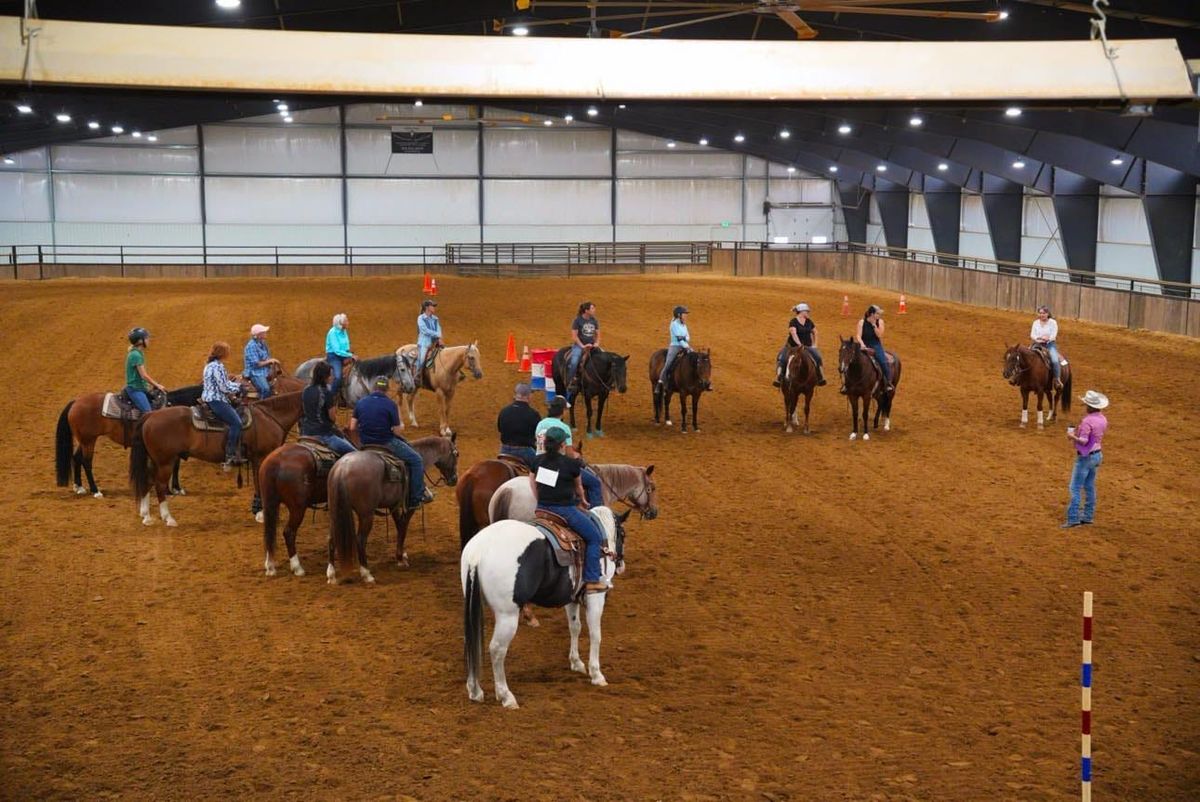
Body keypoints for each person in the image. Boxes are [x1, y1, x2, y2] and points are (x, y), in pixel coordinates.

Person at [529, 427, 608, 594]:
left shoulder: (536, 461)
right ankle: (592, 580)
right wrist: (584, 501)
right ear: (562, 444)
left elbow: (533, 484)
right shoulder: (572, 464)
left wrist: (540, 502)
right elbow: (579, 486)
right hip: (564, 510)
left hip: (541, 509)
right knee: (595, 537)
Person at [351, 375, 433, 507]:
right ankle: (416, 498)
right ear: (387, 389)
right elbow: (396, 432)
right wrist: (401, 425)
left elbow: (352, 427)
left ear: (374, 388)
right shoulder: (390, 404)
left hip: (365, 443)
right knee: (416, 460)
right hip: (385, 443)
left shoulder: (361, 402)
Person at [536, 397, 603, 509]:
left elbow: (539, 446)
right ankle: (596, 512)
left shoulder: (540, 424)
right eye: (566, 409)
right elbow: (569, 454)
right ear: (563, 411)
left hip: (540, 465)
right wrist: (577, 458)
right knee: (595, 483)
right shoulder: (564, 428)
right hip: (558, 466)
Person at [1062, 390, 1109, 529]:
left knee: (1075, 487)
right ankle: (1088, 516)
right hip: (1097, 454)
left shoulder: (1087, 421)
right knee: (1089, 486)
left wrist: (1072, 437)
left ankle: (1073, 519)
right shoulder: (1103, 419)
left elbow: (1083, 441)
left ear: (1090, 406)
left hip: (1085, 457)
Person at [201, 342, 247, 469]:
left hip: (209, 398)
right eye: (227, 351)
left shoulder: (209, 365)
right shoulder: (218, 366)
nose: (229, 353)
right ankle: (230, 455)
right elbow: (224, 386)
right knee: (236, 423)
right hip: (217, 400)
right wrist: (239, 387)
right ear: (222, 353)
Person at [300, 361, 356, 456]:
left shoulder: (305, 391)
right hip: (324, 435)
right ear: (324, 377)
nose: (333, 377)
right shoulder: (327, 393)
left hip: (306, 433)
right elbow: (332, 417)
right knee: (355, 454)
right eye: (331, 375)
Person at [773, 302, 827, 388]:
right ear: (801, 312)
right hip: (792, 347)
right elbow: (794, 334)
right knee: (782, 358)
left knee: (818, 357)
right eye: (807, 311)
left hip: (807, 347)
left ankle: (820, 377)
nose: (808, 313)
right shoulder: (793, 322)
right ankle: (779, 377)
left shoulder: (809, 322)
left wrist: (815, 345)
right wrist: (799, 344)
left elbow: (815, 332)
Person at [496, 382, 540, 467]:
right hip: (525, 451)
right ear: (528, 396)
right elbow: (538, 434)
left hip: (504, 450)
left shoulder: (504, 411)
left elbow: (500, 429)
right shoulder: (533, 414)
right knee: (542, 470)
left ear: (516, 395)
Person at [124, 327, 166, 415]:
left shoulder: (138, 353)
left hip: (142, 389)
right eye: (146, 338)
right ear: (140, 341)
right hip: (135, 390)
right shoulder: (135, 355)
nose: (148, 340)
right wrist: (157, 385)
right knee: (149, 414)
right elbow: (143, 375)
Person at [853, 304, 893, 394]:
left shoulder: (880, 322)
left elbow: (880, 335)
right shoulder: (861, 322)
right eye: (877, 313)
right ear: (872, 314)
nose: (879, 315)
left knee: (883, 361)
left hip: (875, 345)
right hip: (863, 344)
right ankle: (848, 383)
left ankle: (888, 383)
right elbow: (858, 335)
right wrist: (862, 344)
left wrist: (874, 325)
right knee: (852, 359)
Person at [566, 301, 600, 395]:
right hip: (579, 345)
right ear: (586, 310)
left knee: (603, 358)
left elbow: (597, 334)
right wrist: (582, 346)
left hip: (592, 345)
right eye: (592, 308)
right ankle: (570, 382)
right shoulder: (577, 321)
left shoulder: (594, 320)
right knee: (574, 361)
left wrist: (597, 343)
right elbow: (574, 336)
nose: (594, 310)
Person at [656, 305, 691, 392]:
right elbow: (679, 339)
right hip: (675, 346)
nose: (686, 315)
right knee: (668, 364)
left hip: (685, 345)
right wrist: (686, 344)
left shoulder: (684, 325)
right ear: (679, 315)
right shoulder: (674, 324)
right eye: (684, 314)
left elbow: (688, 337)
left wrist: (684, 340)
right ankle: (660, 384)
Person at [1031, 305, 1063, 391]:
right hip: (1037, 344)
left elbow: (1053, 335)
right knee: (1026, 356)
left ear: (1048, 314)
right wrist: (1038, 339)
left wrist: (1048, 338)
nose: (1042, 315)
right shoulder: (1035, 323)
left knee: (1055, 360)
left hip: (1049, 344)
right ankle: (1020, 377)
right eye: (1040, 313)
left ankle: (1057, 379)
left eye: (1044, 313)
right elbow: (1032, 335)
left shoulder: (1053, 322)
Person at [243, 323, 279, 399]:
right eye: (264, 332)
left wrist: (271, 362)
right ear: (259, 335)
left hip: (265, 370)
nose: (266, 333)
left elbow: (267, 357)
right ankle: (262, 405)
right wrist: (269, 361)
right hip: (255, 372)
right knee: (265, 389)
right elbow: (256, 364)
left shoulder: (263, 343)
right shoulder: (251, 346)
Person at [324, 313, 354, 397]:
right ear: (341, 324)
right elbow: (336, 350)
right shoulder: (332, 333)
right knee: (338, 376)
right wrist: (350, 355)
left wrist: (348, 354)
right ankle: (331, 397)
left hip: (344, 354)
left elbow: (347, 344)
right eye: (346, 321)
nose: (348, 322)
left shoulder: (344, 331)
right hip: (334, 356)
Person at [416, 299, 443, 384]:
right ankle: (417, 375)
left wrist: (439, 337)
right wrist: (437, 335)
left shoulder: (435, 318)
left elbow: (439, 329)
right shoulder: (420, 318)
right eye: (432, 306)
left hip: (435, 343)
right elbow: (425, 331)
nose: (434, 308)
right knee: (422, 359)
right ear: (427, 307)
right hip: (424, 344)